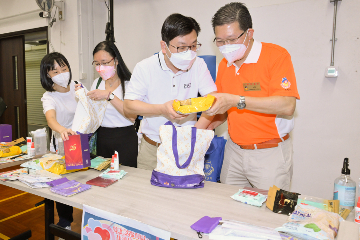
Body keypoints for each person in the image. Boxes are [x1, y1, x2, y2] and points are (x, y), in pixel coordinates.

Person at [205, 2, 300, 191]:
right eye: (220, 41)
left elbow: (287, 105)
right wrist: (197, 131)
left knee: (269, 214)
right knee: (229, 208)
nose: (226, 46)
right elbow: (223, 112)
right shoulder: (225, 65)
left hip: (269, 154)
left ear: (249, 33)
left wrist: (236, 100)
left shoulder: (276, 56)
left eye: (232, 39)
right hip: (234, 152)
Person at [123, 13, 217, 170]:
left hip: (187, 147)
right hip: (153, 148)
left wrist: (194, 134)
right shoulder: (145, 67)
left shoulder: (198, 65)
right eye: (181, 47)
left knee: (187, 193)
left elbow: (213, 101)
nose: (188, 52)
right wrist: (161, 109)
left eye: (193, 46)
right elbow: (128, 106)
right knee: (148, 193)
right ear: (164, 46)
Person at [76, 41, 138, 167]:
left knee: (126, 178)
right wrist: (83, 95)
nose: (101, 67)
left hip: (125, 138)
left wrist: (109, 96)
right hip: (102, 137)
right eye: (97, 64)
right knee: (103, 177)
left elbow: (132, 116)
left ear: (116, 61)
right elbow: (93, 113)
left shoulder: (130, 84)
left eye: (105, 63)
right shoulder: (97, 83)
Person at [40, 52, 76, 231]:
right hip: (62, 144)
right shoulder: (49, 96)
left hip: (85, 142)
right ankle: (65, 223)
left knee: (86, 181)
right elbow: (51, 119)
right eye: (55, 71)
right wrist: (62, 129)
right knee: (63, 186)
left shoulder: (78, 87)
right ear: (48, 75)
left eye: (64, 68)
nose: (62, 73)